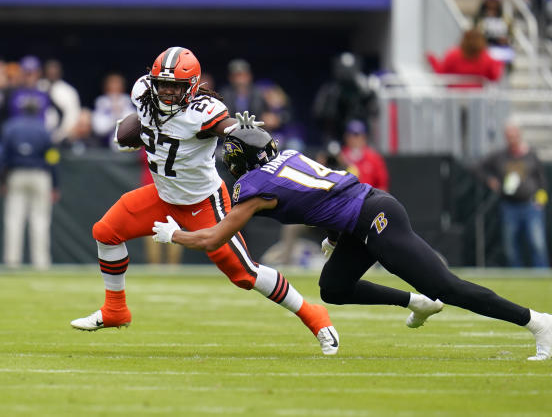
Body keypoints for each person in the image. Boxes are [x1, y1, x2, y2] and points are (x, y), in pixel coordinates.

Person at [152, 126, 552, 361]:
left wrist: (175, 235)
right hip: (359, 216)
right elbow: (323, 193)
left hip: (374, 218)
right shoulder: (290, 156)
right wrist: (336, 235)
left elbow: (213, 239)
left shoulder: (255, 186)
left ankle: (537, 321)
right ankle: (416, 303)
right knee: (333, 288)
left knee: (445, 285)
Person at [69, 47, 338, 355]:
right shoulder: (144, 91)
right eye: (163, 84)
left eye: (176, 86)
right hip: (161, 195)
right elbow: (138, 122)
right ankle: (115, 309)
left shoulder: (203, 112)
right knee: (106, 232)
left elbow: (225, 126)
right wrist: (134, 132)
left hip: (203, 203)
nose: (168, 91)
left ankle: (313, 315)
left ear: (193, 86)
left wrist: (241, 129)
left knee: (244, 274)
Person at [478, 121, 550, 268]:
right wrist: (490, 180)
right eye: (508, 136)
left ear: (519, 135)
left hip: (530, 205)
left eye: (514, 135)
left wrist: (541, 201)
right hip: (509, 205)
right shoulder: (500, 156)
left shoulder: (530, 155)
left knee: (537, 244)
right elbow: (478, 167)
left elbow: (542, 180)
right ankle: (516, 275)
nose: (511, 139)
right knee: (510, 247)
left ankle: (542, 274)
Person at [1, 100, 60, 269]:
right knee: (40, 220)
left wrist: (2, 180)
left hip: (16, 174)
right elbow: (52, 158)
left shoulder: (11, 127)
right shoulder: (43, 130)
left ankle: (12, 261)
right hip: (40, 176)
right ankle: (40, 262)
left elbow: (3, 156)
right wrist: (55, 184)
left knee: (14, 219)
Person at [426, 29, 504, 88]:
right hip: (476, 102)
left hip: (454, 101)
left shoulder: (452, 55)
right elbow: (494, 76)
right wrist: (499, 62)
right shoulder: (486, 58)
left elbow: (441, 73)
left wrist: (432, 59)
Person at [38, 59, 81, 144]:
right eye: (50, 69)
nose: (52, 72)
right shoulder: (38, 86)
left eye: (55, 69)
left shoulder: (68, 91)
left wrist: (60, 135)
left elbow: (73, 116)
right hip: (38, 135)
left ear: (60, 72)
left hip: (61, 137)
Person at [339, 119, 389, 191]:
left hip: (368, 198)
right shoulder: (341, 155)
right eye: (350, 135)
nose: (354, 139)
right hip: (347, 198)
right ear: (346, 137)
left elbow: (382, 184)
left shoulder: (373, 157)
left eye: (356, 135)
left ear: (364, 137)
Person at [91, 72, 136, 148]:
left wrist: (120, 112)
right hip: (103, 146)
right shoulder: (101, 102)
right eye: (112, 84)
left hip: (125, 146)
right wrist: (114, 115)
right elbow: (99, 129)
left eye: (117, 84)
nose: (115, 87)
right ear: (106, 87)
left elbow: (133, 125)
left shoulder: (127, 100)